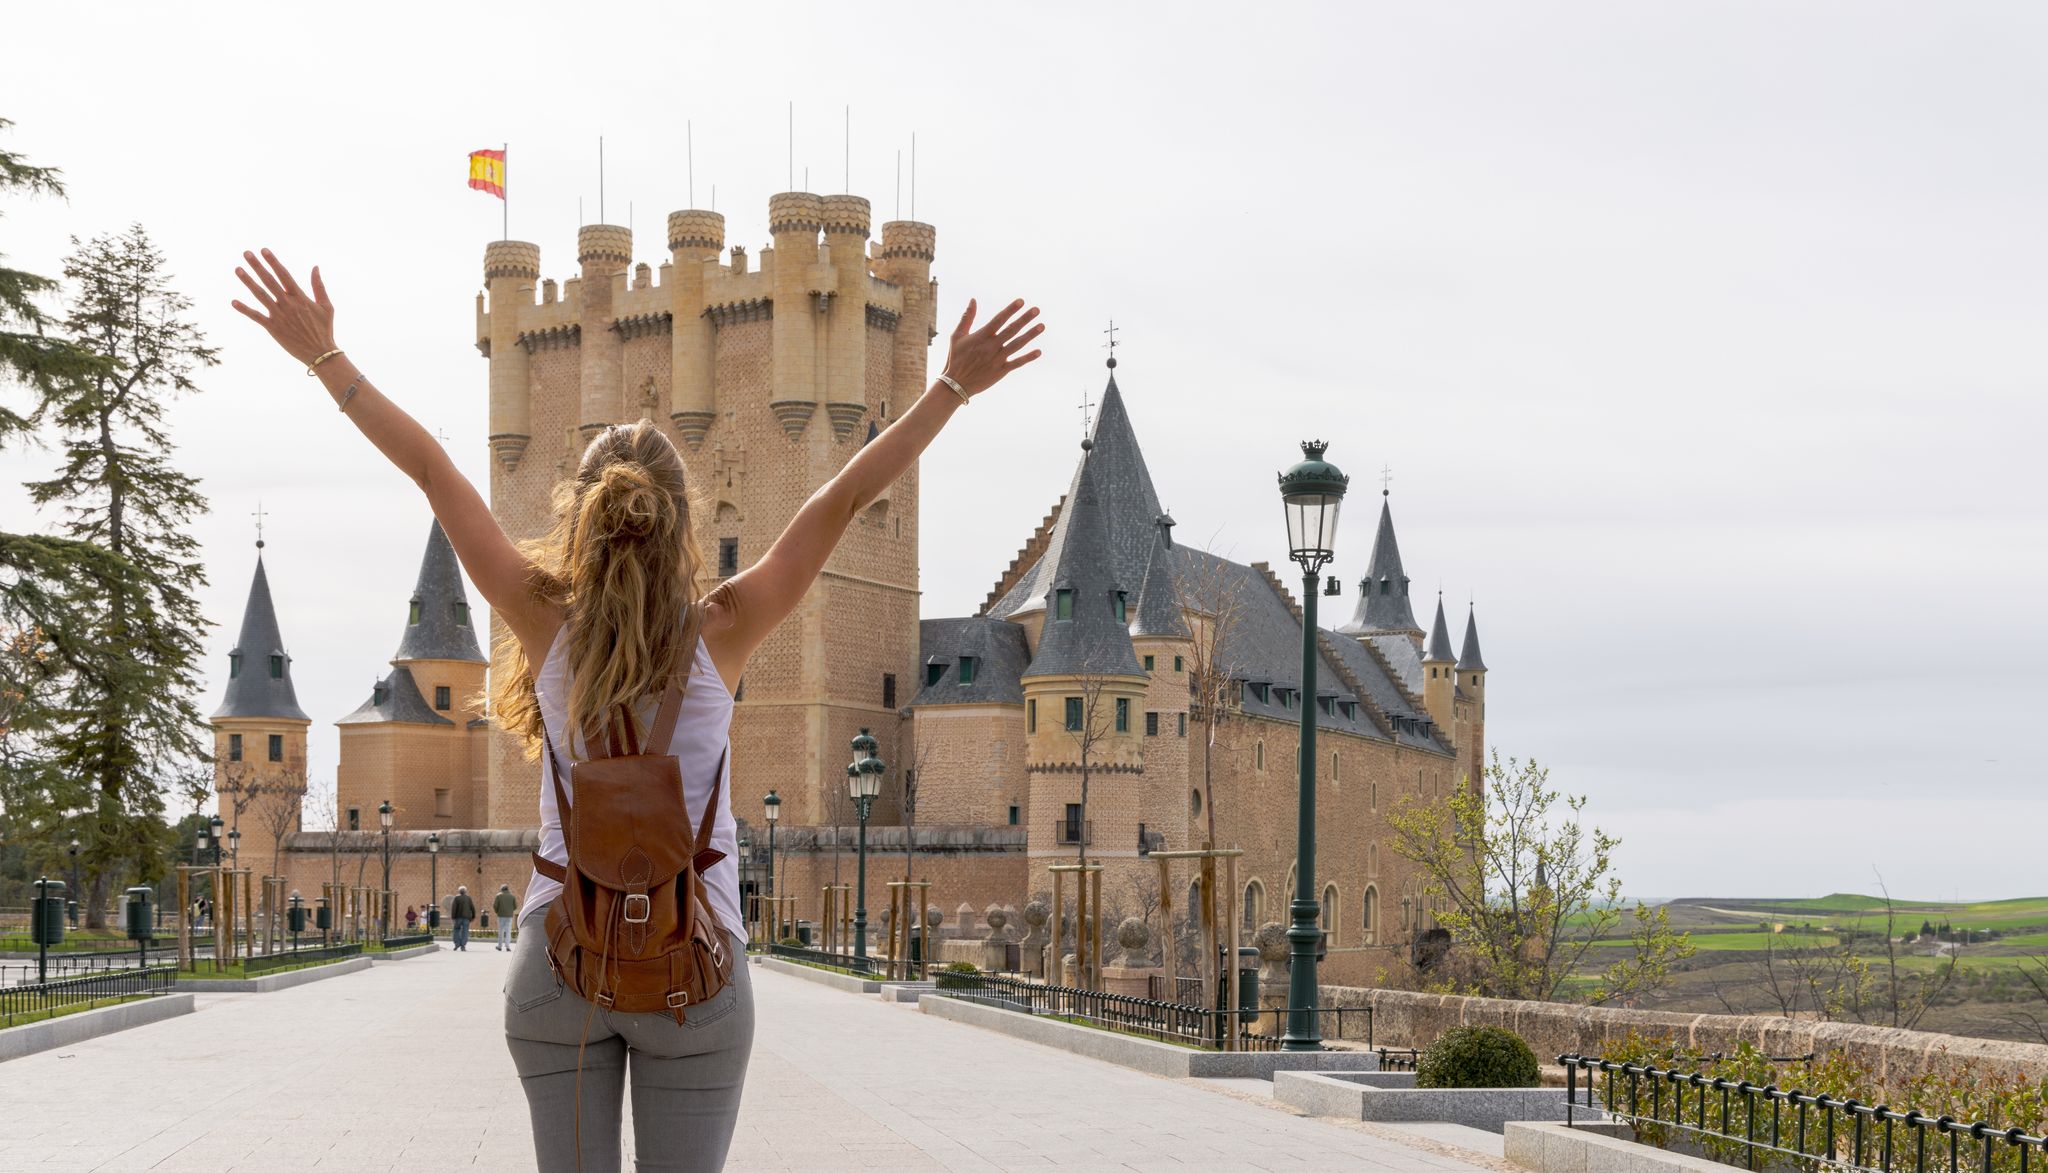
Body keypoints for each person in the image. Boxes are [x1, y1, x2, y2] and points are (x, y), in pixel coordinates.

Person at [232, 247, 1041, 1173]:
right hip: (693, 961)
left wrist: (326, 358)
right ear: (681, 519)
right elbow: (845, 492)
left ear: (579, 516)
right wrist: (950, 385)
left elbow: (432, 468)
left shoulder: (544, 622)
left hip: (558, 956)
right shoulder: (723, 631)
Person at [449, 885, 476, 951]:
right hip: (466, 918)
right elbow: (472, 908)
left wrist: (453, 917)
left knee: (456, 930)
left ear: (459, 891)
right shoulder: (468, 898)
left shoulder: (456, 898)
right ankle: (463, 945)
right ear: (465, 891)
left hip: (458, 917)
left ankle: (457, 944)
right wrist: (473, 916)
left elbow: (454, 908)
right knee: (465, 931)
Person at [493, 884, 518, 951]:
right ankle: (507, 946)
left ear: (501, 889)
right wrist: (510, 910)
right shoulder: (512, 896)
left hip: (501, 915)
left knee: (501, 931)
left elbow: (495, 906)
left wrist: (497, 911)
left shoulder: (498, 896)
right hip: (509, 916)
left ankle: (499, 946)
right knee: (508, 931)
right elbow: (515, 906)